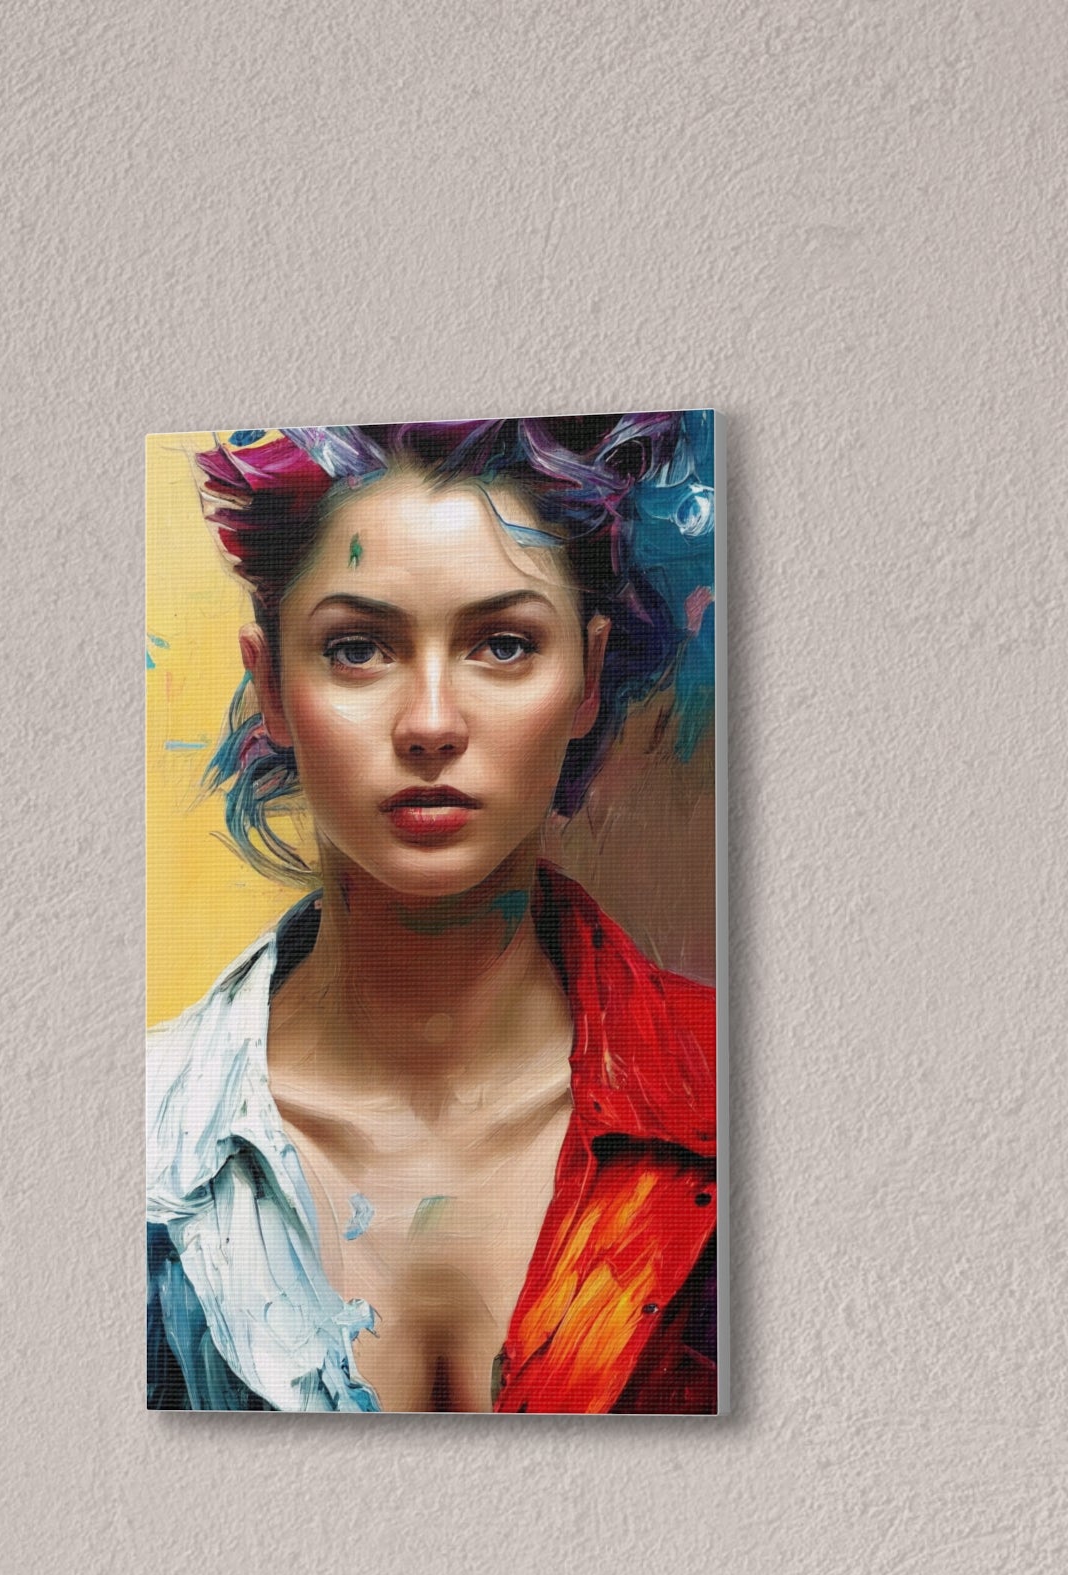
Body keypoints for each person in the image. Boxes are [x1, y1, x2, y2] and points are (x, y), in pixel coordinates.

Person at [146, 416, 717, 1414]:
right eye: (358, 648)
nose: (429, 724)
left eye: (502, 644)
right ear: (269, 685)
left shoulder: (732, 1095)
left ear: (586, 678)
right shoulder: (149, 1137)